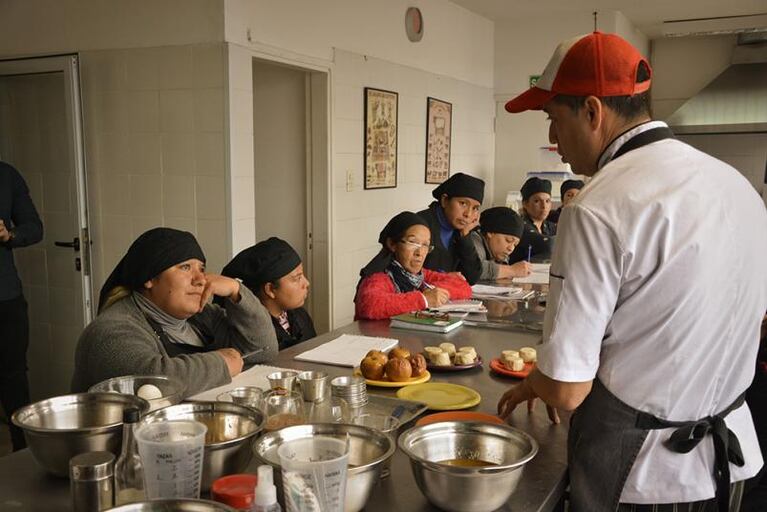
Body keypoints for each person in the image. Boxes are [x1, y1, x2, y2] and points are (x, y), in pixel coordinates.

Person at [497, 31, 766, 512]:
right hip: (729, 463)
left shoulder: (597, 207)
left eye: (554, 120)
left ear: (594, 112)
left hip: (641, 478)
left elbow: (566, 389)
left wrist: (538, 380)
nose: (553, 140)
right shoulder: (737, 186)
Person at [72, 227, 278, 397]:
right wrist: (221, 364)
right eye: (186, 267)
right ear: (150, 278)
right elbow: (154, 381)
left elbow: (264, 348)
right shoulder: (110, 331)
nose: (200, 280)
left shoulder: (202, 316)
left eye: (202, 269)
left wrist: (236, 290)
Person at [355, 211, 472, 320]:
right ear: (392, 244)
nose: (419, 253)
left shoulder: (419, 276)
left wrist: (432, 291)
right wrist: (424, 299)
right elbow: (371, 305)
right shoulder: (379, 277)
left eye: (425, 245)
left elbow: (463, 286)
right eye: (412, 242)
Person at [0, 161, 43, 452]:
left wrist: (9, 235)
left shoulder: (6, 174)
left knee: (14, 381)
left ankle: (22, 457)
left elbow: (34, 228)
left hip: (5, 298)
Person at [221, 237, 315, 351]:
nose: (306, 283)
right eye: (297, 278)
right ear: (270, 289)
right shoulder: (250, 332)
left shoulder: (300, 316)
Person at [417, 172, 485, 284]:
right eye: (463, 203)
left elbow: (472, 278)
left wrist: (465, 237)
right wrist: (443, 277)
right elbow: (406, 275)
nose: (468, 214)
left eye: (475, 208)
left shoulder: (460, 231)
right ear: (444, 200)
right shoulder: (420, 225)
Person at [469, 206, 532, 280]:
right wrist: (512, 270)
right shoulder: (474, 240)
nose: (511, 248)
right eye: (508, 240)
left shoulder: (496, 251)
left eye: (515, 244)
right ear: (490, 232)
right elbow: (474, 269)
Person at [508, 177, 557, 263]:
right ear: (525, 204)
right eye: (537, 201)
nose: (544, 206)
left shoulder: (549, 226)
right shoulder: (520, 225)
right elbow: (548, 244)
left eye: (547, 201)